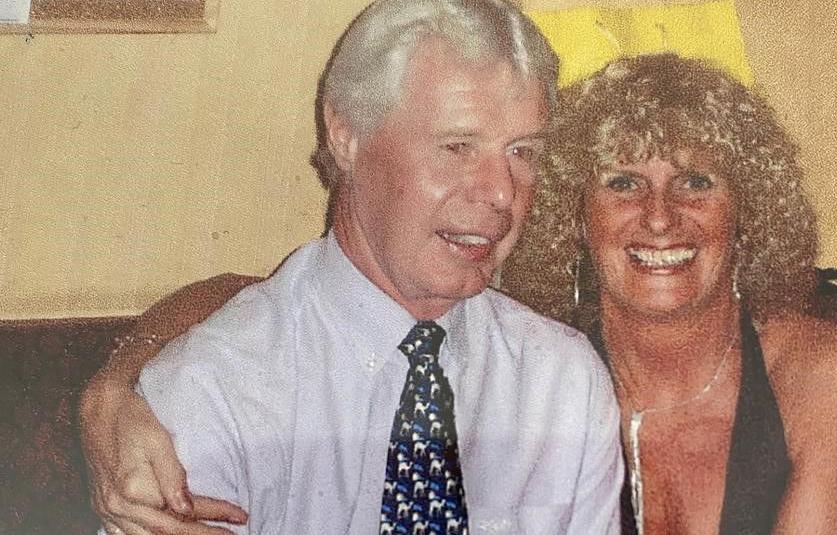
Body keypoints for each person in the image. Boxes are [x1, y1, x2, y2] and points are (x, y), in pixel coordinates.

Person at [79, 1, 623, 533]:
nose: (501, 192)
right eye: (458, 146)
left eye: (522, 152)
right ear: (345, 136)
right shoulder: (212, 393)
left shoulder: (562, 385)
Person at [503, 53, 837, 533]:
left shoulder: (824, 374)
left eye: (695, 182)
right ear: (575, 217)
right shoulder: (524, 389)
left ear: (745, 211)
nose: (661, 216)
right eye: (624, 183)